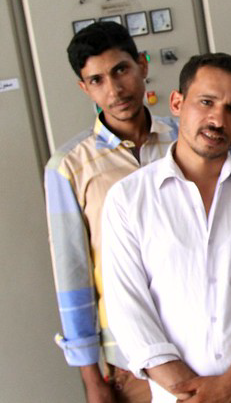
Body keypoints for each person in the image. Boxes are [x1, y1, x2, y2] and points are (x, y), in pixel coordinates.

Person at [102, 53, 231, 402]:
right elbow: (129, 312)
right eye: (206, 102)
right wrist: (193, 395)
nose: (217, 119)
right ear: (177, 103)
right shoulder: (128, 200)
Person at [44, 21, 175, 402]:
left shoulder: (185, 139)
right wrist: (91, 378)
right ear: (84, 88)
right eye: (97, 80)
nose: (115, 89)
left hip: (206, 338)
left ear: (142, 65)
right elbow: (73, 273)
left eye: (121, 70)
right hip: (131, 358)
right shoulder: (69, 167)